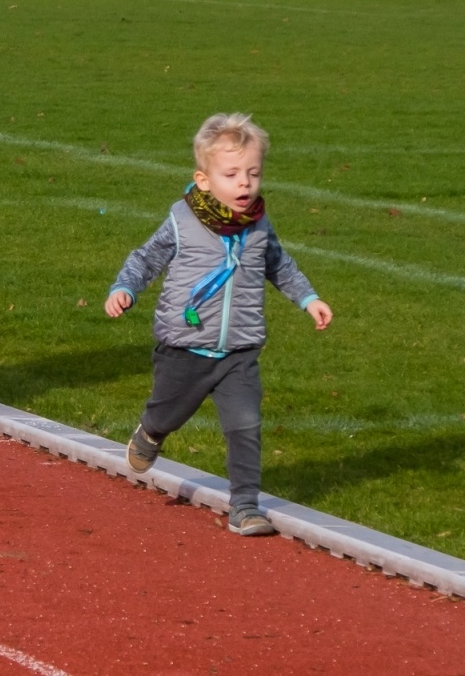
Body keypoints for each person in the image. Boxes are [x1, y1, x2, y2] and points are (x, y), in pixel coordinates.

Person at [105, 113, 332, 536]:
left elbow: (279, 265)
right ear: (204, 179)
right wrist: (125, 288)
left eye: (253, 173)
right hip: (184, 345)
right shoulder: (182, 219)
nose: (245, 183)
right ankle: (151, 431)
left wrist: (309, 298)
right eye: (232, 174)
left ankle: (245, 505)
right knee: (168, 412)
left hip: (240, 350)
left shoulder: (259, 225)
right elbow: (147, 257)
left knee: (245, 425)